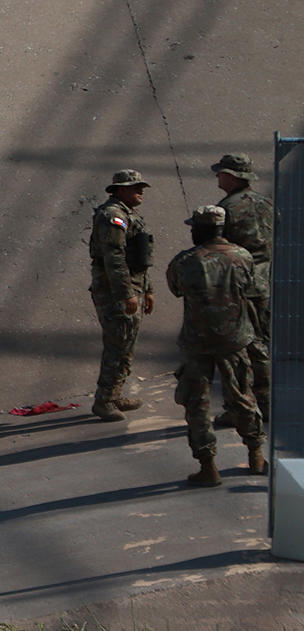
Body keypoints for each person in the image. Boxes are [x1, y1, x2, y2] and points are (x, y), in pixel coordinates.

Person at [165, 203, 266, 486]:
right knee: (243, 397)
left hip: (197, 342)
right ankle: (256, 456)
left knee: (197, 404)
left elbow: (175, 289)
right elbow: (252, 289)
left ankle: (208, 467)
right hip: (235, 339)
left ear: (200, 229)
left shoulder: (185, 261)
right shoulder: (243, 257)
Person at [209, 152, 273, 424]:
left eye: (221, 173)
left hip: (237, 287)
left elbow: (218, 249)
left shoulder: (226, 209)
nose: (217, 177)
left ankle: (240, 407)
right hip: (264, 283)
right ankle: (265, 402)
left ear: (232, 177)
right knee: (261, 344)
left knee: (235, 348)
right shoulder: (266, 203)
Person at [87, 169, 156, 421]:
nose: (140, 192)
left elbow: (139, 257)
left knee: (126, 346)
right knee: (118, 345)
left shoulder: (129, 215)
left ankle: (114, 394)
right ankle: (104, 400)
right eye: (134, 187)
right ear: (119, 190)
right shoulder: (112, 216)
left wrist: (147, 290)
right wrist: (127, 294)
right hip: (115, 292)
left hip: (132, 288)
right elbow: (114, 258)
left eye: (141, 187)